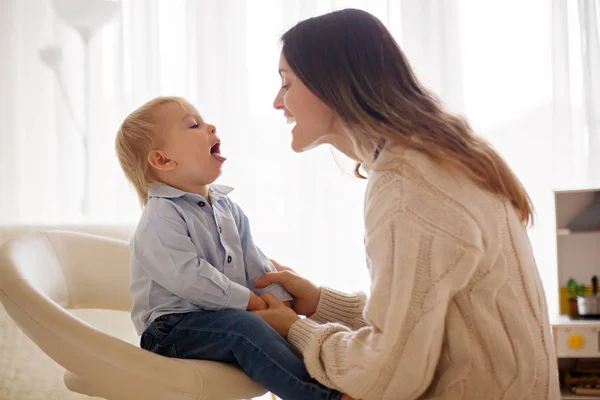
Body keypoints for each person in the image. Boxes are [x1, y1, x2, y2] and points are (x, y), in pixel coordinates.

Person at [253, 8, 561, 400]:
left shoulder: (405, 184)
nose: (278, 102)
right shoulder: (439, 158)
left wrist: (297, 331)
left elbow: (390, 374)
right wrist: (320, 303)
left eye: (286, 83)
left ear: (330, 83)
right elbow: (426, 316)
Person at [115, 96, 354, 400]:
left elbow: (253, 261)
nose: (210, 126)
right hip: (170, 331)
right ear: (163, 160)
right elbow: (191, 278)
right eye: (194, 125)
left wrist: (278, 302)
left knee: (285, 326)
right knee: (243, 328)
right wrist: (251, 304)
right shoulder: (160, 218)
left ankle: (342, 379)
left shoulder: (227, 207)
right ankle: (324, 398)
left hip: (223, 318)